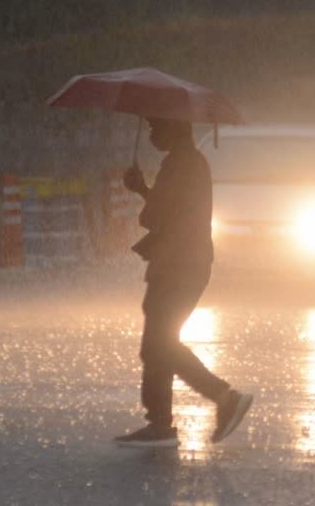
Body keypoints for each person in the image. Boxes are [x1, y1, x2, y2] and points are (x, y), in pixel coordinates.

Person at [115, 117, 252, 448]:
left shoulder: (180, 165)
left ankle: (221, 397)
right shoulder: (188, 163)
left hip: (178, 265)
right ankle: (161, 421)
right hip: (179, 263)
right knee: (157, 344)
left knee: (160, 343)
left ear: (173, 130)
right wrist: (147, 190)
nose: (151, 135)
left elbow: (154, 216)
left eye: (155, 128)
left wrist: (140, 189)